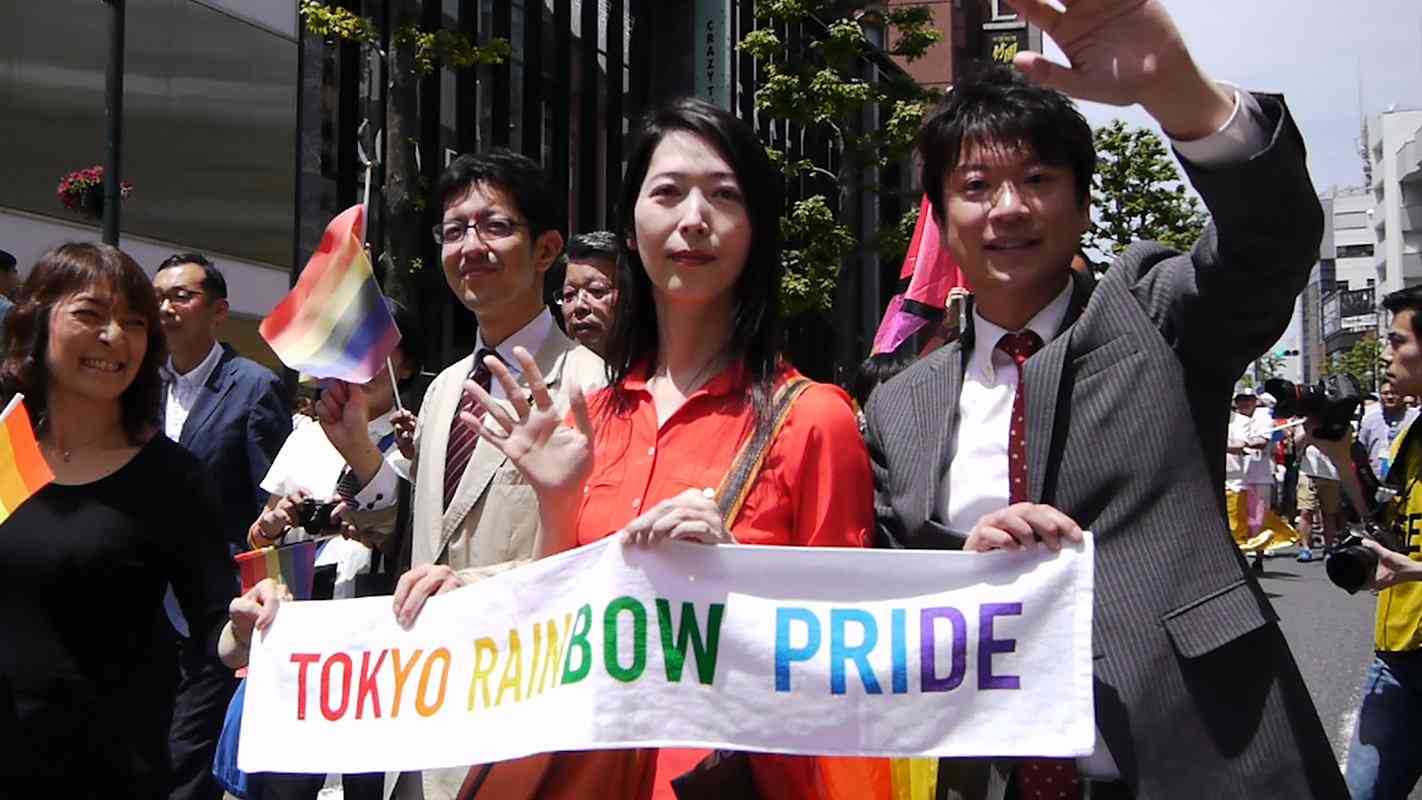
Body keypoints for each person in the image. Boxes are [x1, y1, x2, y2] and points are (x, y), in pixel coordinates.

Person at [862, 1, 1344, 796]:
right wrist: (965, 569)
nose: (1009, 207)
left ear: (1083, 206)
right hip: (991, 774)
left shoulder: (1158, 317)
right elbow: (882, 595)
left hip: (1200, 760)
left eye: (1039, 180)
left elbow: (1271, 242)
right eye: (976, 186)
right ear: (944, 222)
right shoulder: (900, 405)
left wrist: (1176, 89)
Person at [450, 97, 875, 799]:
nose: (694, 219)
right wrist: (535, 527)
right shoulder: (593, 419)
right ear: (633, 226)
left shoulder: (815, 420)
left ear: (756, 229)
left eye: (724, 195)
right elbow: (561, 634)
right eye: (668, 193)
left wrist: (733, 580)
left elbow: (850, 659)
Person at [318, 148, 604, 800]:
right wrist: (361, 452)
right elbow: (425, 539)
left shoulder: (589, 385)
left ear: (546, 249)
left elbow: (597, 557)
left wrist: (473, 588)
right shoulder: (444, 388)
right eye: (453, 231)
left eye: (495, 226)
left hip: (523, 731)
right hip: (420, 729)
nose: (470, 246)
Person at [0, 242, 237, 797]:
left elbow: (214, 624)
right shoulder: (4, 448)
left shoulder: (172, 476)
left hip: (112, 771)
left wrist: (247, 629)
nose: (114, 337)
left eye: (134, 322)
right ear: (37, 318)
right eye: (89, 314)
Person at [242, 299, 423, 800]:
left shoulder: (421, 439)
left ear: (403, 364)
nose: (360, 365)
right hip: (304, 642)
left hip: (377, 649)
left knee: (367, 786)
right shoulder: (306, 438)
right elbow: (257, 539)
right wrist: (271, 526)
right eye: (351, 351)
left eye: (377, 351)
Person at [153, 251, 291, 800]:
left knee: (185, 761)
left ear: (218, 311)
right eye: (158, 296)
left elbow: (276, 501)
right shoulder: (139, 390)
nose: (166, 308)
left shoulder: (254, 388)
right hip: (144, 605)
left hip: (216, 613)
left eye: (181, 296)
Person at [1310, 287, 1422, 798]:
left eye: (1397, 341)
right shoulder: (1413, 437)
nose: (1385, 352)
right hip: (1398, 651)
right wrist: (1338, 457)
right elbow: (1386, 523)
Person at [556, 230, 620, 356]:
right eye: (569, 295)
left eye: (597, 291)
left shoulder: (661, 371)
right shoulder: (548, 372)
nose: (579, 306)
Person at [1295, 423, 1344, 563]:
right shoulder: (1304, 424)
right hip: (1308, 472)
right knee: (1305, 511)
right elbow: (1297, 445)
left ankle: (1328, 548)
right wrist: (1309, 429)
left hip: (1331, 474)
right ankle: (1305, 548)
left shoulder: (1337, 423)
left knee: (1329, 512)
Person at [1358, 379, 1417, 480]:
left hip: (1408, 479)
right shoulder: (1370, 420)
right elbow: (1361, 451)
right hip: (1376, 481)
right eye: (1385, 393)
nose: (1389, 397)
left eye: (1394, 393)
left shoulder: (1415, 419)